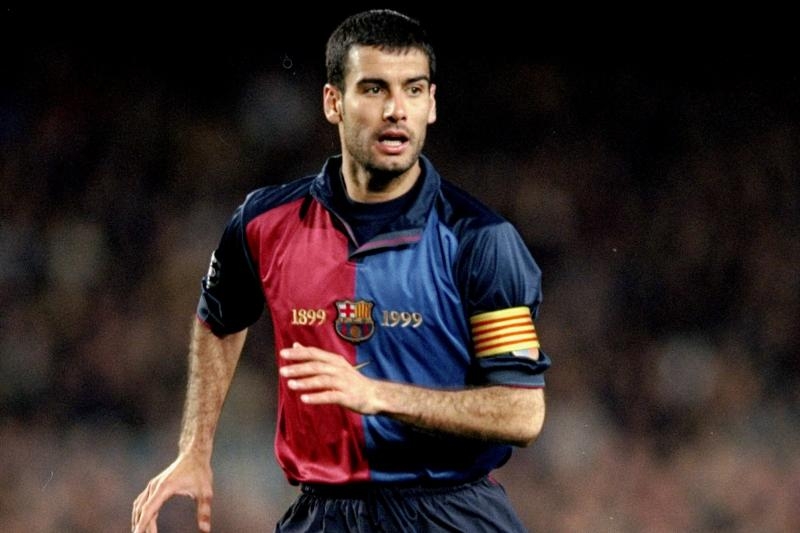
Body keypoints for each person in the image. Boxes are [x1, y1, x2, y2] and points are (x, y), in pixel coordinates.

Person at [132, 8, 551, 533]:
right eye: (374, 89)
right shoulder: (264, 223)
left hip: (451, 514)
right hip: (323, 513)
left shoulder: (481, 240)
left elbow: (521, 412)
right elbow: (219, 318)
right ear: (333, 102)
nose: (396, 110)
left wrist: (378, 395)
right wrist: (195, 447)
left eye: (413, 90)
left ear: (432, 104)